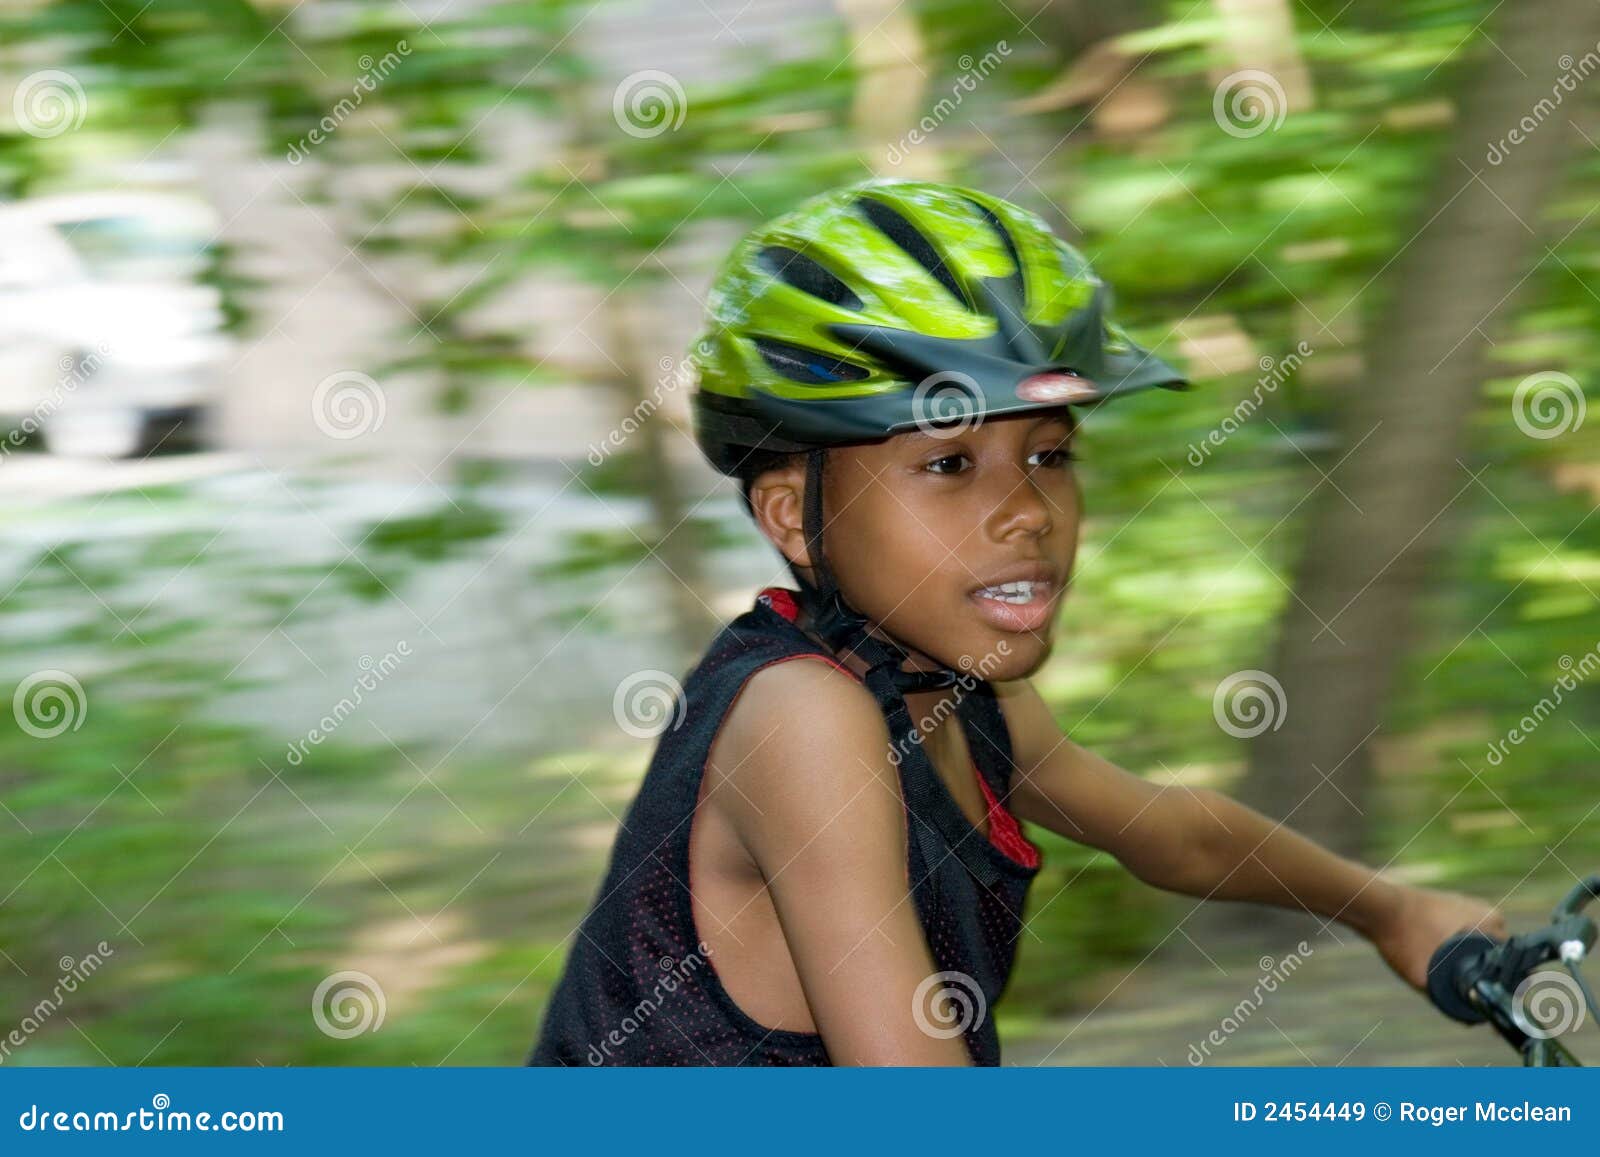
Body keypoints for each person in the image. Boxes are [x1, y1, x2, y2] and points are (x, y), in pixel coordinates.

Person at [526, 178, 1507, 1066]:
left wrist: (1391, 910)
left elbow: (1175, 835)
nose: (1029, 511)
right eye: (949, 465)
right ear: (794, 514)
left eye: (1048, 455)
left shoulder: (946, 689)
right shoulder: (800, 719)